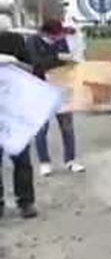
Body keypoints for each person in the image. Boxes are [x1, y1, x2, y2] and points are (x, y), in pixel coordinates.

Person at [28, 18, 85, 176]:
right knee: (41, 129)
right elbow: (37, 63)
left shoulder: (61, 41)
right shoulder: (33, 41)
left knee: (67, 127)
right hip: (41, 90)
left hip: (61, 88)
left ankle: (70, 160)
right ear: (47, 33)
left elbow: (67, 58)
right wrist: (58, 58)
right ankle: (45, 162)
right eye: (56, 35)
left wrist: (70, 61)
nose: (59, 38)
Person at [0, 15, 39, 219]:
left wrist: (13, 62)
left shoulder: (16, 42)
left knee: (21, 158)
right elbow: (30, 69)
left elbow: (29, 68)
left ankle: (24, 202)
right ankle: (25, 202)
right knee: (22, 158)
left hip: (14, 109)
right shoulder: (17, 41)